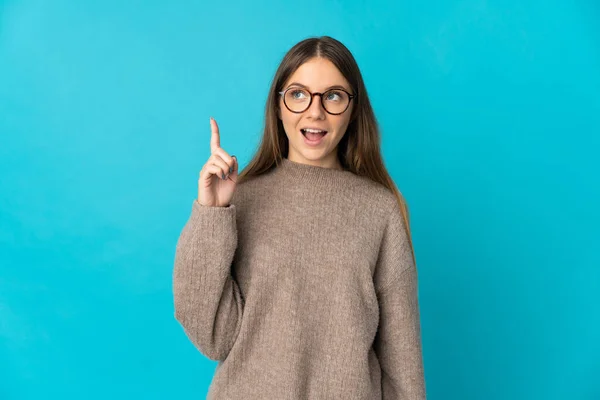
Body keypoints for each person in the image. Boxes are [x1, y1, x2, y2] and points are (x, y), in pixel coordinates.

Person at [173, 35, 426, 399]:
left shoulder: (379, 210)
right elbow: (211, 334)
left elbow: (402, 363)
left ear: (354, 110)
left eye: (334, 96)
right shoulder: (240, 200)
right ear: (278, 106)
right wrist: (212, 215)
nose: (315, 111)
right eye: (298, 94)